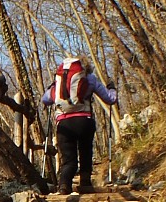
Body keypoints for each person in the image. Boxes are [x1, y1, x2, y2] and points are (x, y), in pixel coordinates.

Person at [40, 56, 118, 193]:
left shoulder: (59, 83)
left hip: (64, 124)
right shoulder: (90, 79)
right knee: (86, 153)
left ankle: (64, 185)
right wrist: (112, 89)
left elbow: (45, 100)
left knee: (68, 160)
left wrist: (52, 88)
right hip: (84, 121)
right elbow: (110, 99)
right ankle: (85, 183)